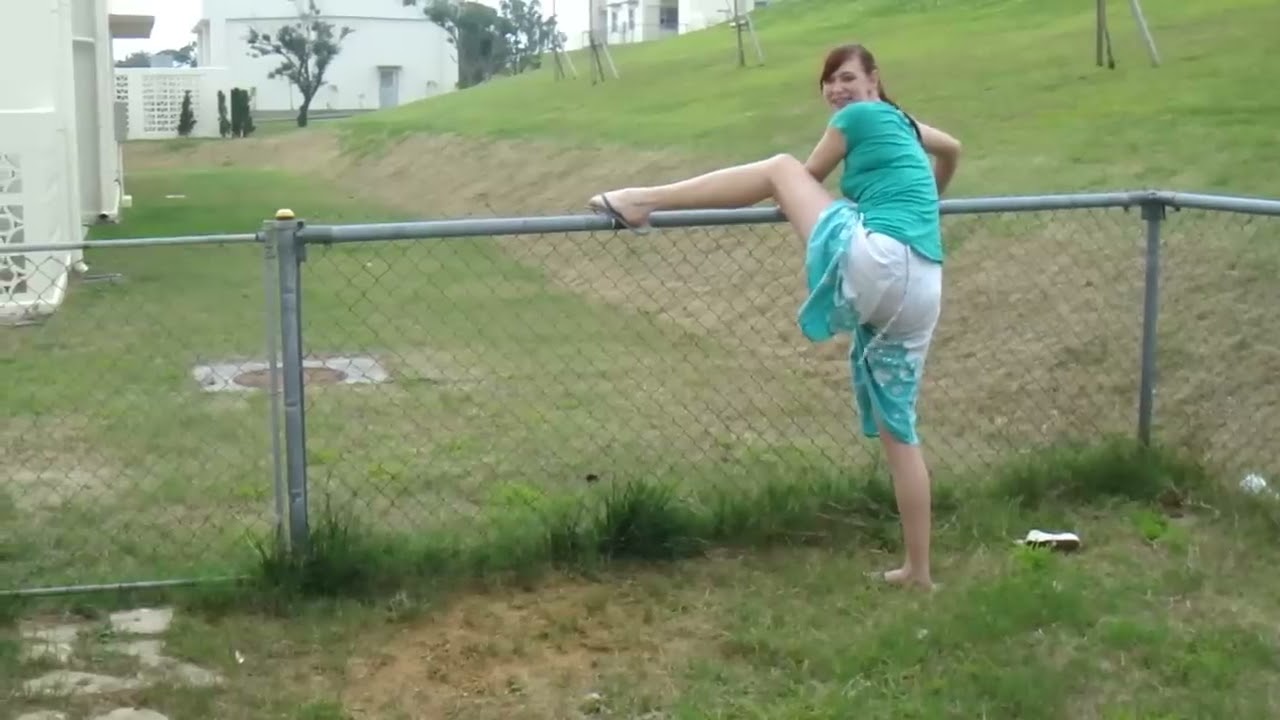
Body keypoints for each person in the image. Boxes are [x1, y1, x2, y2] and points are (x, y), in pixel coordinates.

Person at [587, 43, 962, 590]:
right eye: (829, 82)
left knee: (779, 167)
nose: (838, 90)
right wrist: (929, 199)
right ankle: (919, 573)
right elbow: (952, 149)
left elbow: (801, 179)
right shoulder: (905, 124)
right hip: (925, 279)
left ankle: (643, 199)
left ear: (874, 81)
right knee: (900, 431)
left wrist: (797, 196)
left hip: (883, 262)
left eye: (848, 78)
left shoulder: (857, 118)